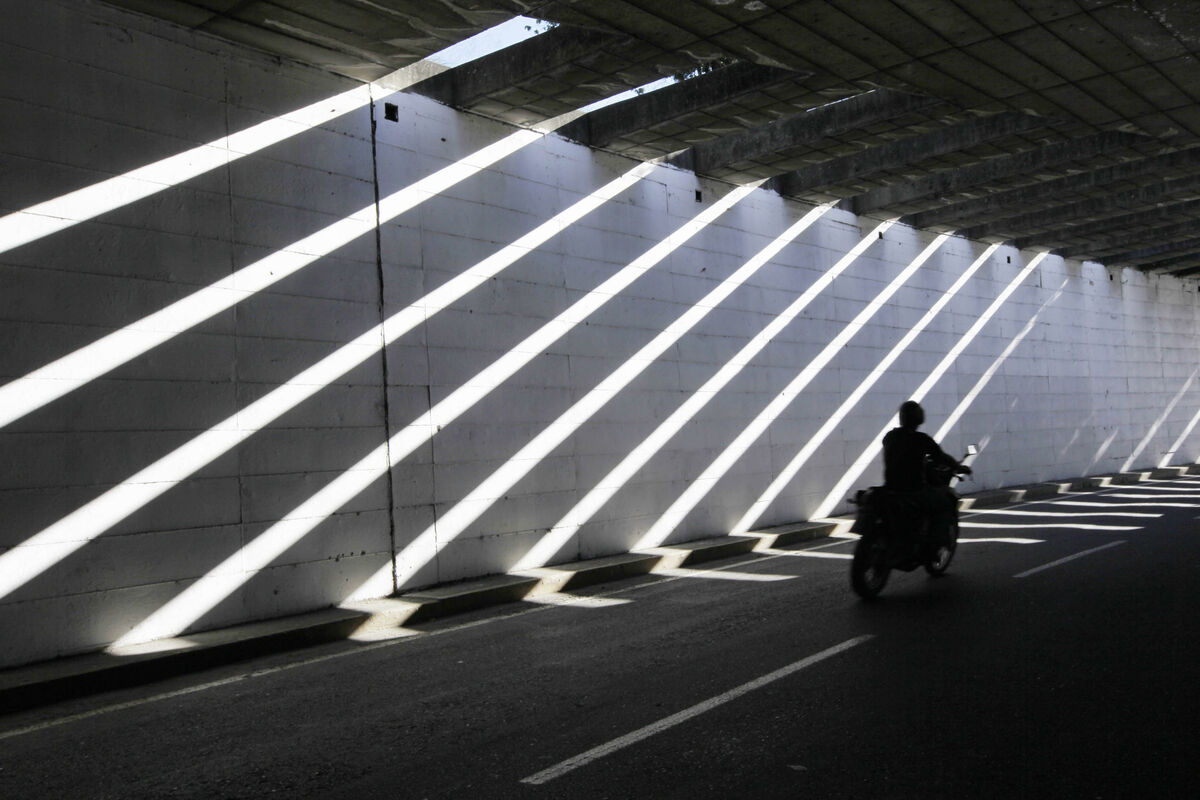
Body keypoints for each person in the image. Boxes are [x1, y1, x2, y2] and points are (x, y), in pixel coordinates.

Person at [881, 400, 970, 545]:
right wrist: (959, 467)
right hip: (913, 490)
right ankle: (937, 543)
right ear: (919, 418)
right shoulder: (921, 439)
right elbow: (941, 457)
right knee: (945, 501)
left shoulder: (889, 436)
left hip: (891, 488)